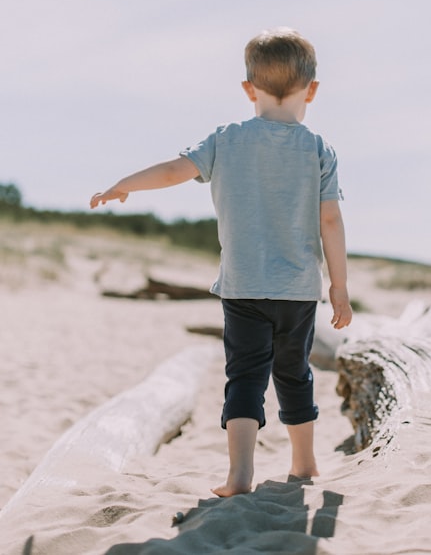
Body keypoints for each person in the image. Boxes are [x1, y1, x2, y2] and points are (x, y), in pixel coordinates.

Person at [90, 27, 352, 496]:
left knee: (245, 376)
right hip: (297, 291)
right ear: (312, 90)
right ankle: (306, 462)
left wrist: (123, 184)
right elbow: (330, 222)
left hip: (243, 287)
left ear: (249, 89)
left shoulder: (226, 140)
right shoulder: (318, 149)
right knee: (295, 373)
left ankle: (239, 474)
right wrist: (338, 286)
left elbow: (174, 170)